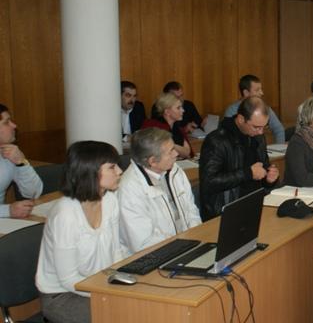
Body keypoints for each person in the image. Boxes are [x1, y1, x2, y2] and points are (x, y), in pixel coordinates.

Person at [36, 141, 127, 323]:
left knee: (144, 305)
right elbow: (68, 279)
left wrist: (121, 281)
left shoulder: (110, 200)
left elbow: (116, 251)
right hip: (62, 296)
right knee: (125, 315)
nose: (119, 171)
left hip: (99, 284)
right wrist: (108, 292)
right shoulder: (65, 215)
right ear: (90, 172)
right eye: (112, 167)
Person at [118, 128, 202, 254]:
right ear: (152, 161)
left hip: (187, 244)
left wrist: (197, 238)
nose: (176, 154)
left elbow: (191, 210)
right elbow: (143, 243)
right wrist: (182, 247)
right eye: (170, 151)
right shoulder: (129, 190)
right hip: (156, 255)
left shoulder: (175, 170)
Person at [200, 96, 280, 220]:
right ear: (241, 119)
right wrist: (248, 173)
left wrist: (269, 179)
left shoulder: (258, 137)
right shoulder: (216, 141)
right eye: (256, 127)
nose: (261, 132)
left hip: (255, 204)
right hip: (225, 211)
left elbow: (262, 170)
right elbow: (209, 182)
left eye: (264, 127)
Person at [0, 104, 43, 218]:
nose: (14, 125)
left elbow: (33, 193)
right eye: (6, 122)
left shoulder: (8, 153)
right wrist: (7, 211)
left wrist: (21, 162)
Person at [223, 74, 285, 143]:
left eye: (261, 89)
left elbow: (279, 129)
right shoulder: (232, 110)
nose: (262, 93)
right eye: (257, 90)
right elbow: (227, 138)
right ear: (246, 93)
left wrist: (279, 147)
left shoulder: (264, 108)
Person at [142, 92, 193, 159]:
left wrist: (171, 145)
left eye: (182, 107)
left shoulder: (177, 127)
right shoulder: (153, 127)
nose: (183, 110)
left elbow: (187, 152)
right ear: (167, 112)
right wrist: (177, 148)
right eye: (178, 108)